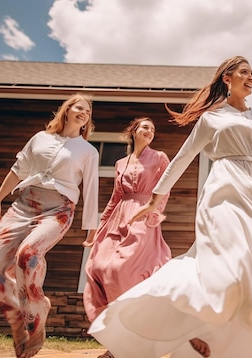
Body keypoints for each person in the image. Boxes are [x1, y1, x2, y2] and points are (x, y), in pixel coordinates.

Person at [87, 55, 252, 358]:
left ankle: (219, 340)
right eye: (244, 72)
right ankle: (169, 331)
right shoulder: (212, 118)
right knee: (230, 263)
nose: (251, 77)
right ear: (227, 79)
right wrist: (154, 199)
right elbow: (182, 159)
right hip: (227, 190)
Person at [0, 93, 99, 358]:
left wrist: (92, 227)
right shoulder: (39, 138)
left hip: (59, 210)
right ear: (66, 110)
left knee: (28, 255)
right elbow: (18, 169)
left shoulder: (88, 151)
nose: (83, 113)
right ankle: (17, 317)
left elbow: (91, 188)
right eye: (79, 107)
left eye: (88, 112)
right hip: (23, 205)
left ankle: (36, 311)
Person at [83, 117, 171, 358]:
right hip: (118, 218)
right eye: (145, 127)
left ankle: (137, 338)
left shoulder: (160, 157)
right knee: (101, 267)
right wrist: (99, 227)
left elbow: (165, 188)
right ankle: (119, 343)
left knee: (126, 271)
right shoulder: (121, 162)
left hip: (144, 216)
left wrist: (154, 213)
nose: (150, 131)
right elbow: (115, 196)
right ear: (134, 131)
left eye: (153, 128)